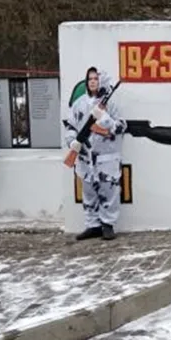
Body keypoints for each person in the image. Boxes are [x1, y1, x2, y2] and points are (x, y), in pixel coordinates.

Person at [63, 67, 127, 241]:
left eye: (96, 79)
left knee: (108, 191)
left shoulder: (110, 105)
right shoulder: (79, 104)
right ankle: (93, 225)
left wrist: (104, 118)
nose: (92, 81)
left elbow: (121, 127)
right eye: (90, 78)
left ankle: (107, 224)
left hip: (107, 157)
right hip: (85, 158)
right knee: (89, 192)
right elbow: (70, 126)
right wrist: (73, 143)